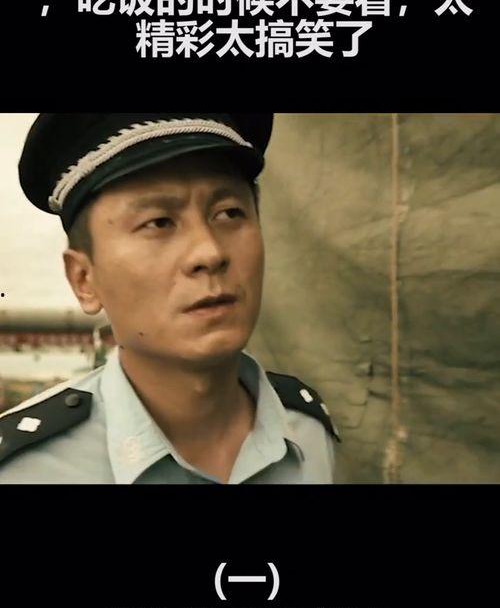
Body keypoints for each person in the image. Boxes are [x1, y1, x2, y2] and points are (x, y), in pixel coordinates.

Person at [0, 113, 340, 484]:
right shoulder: (27, 472)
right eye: (159, 223)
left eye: (229, 213)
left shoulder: (307, 434)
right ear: (84, 279)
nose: (209, 252)